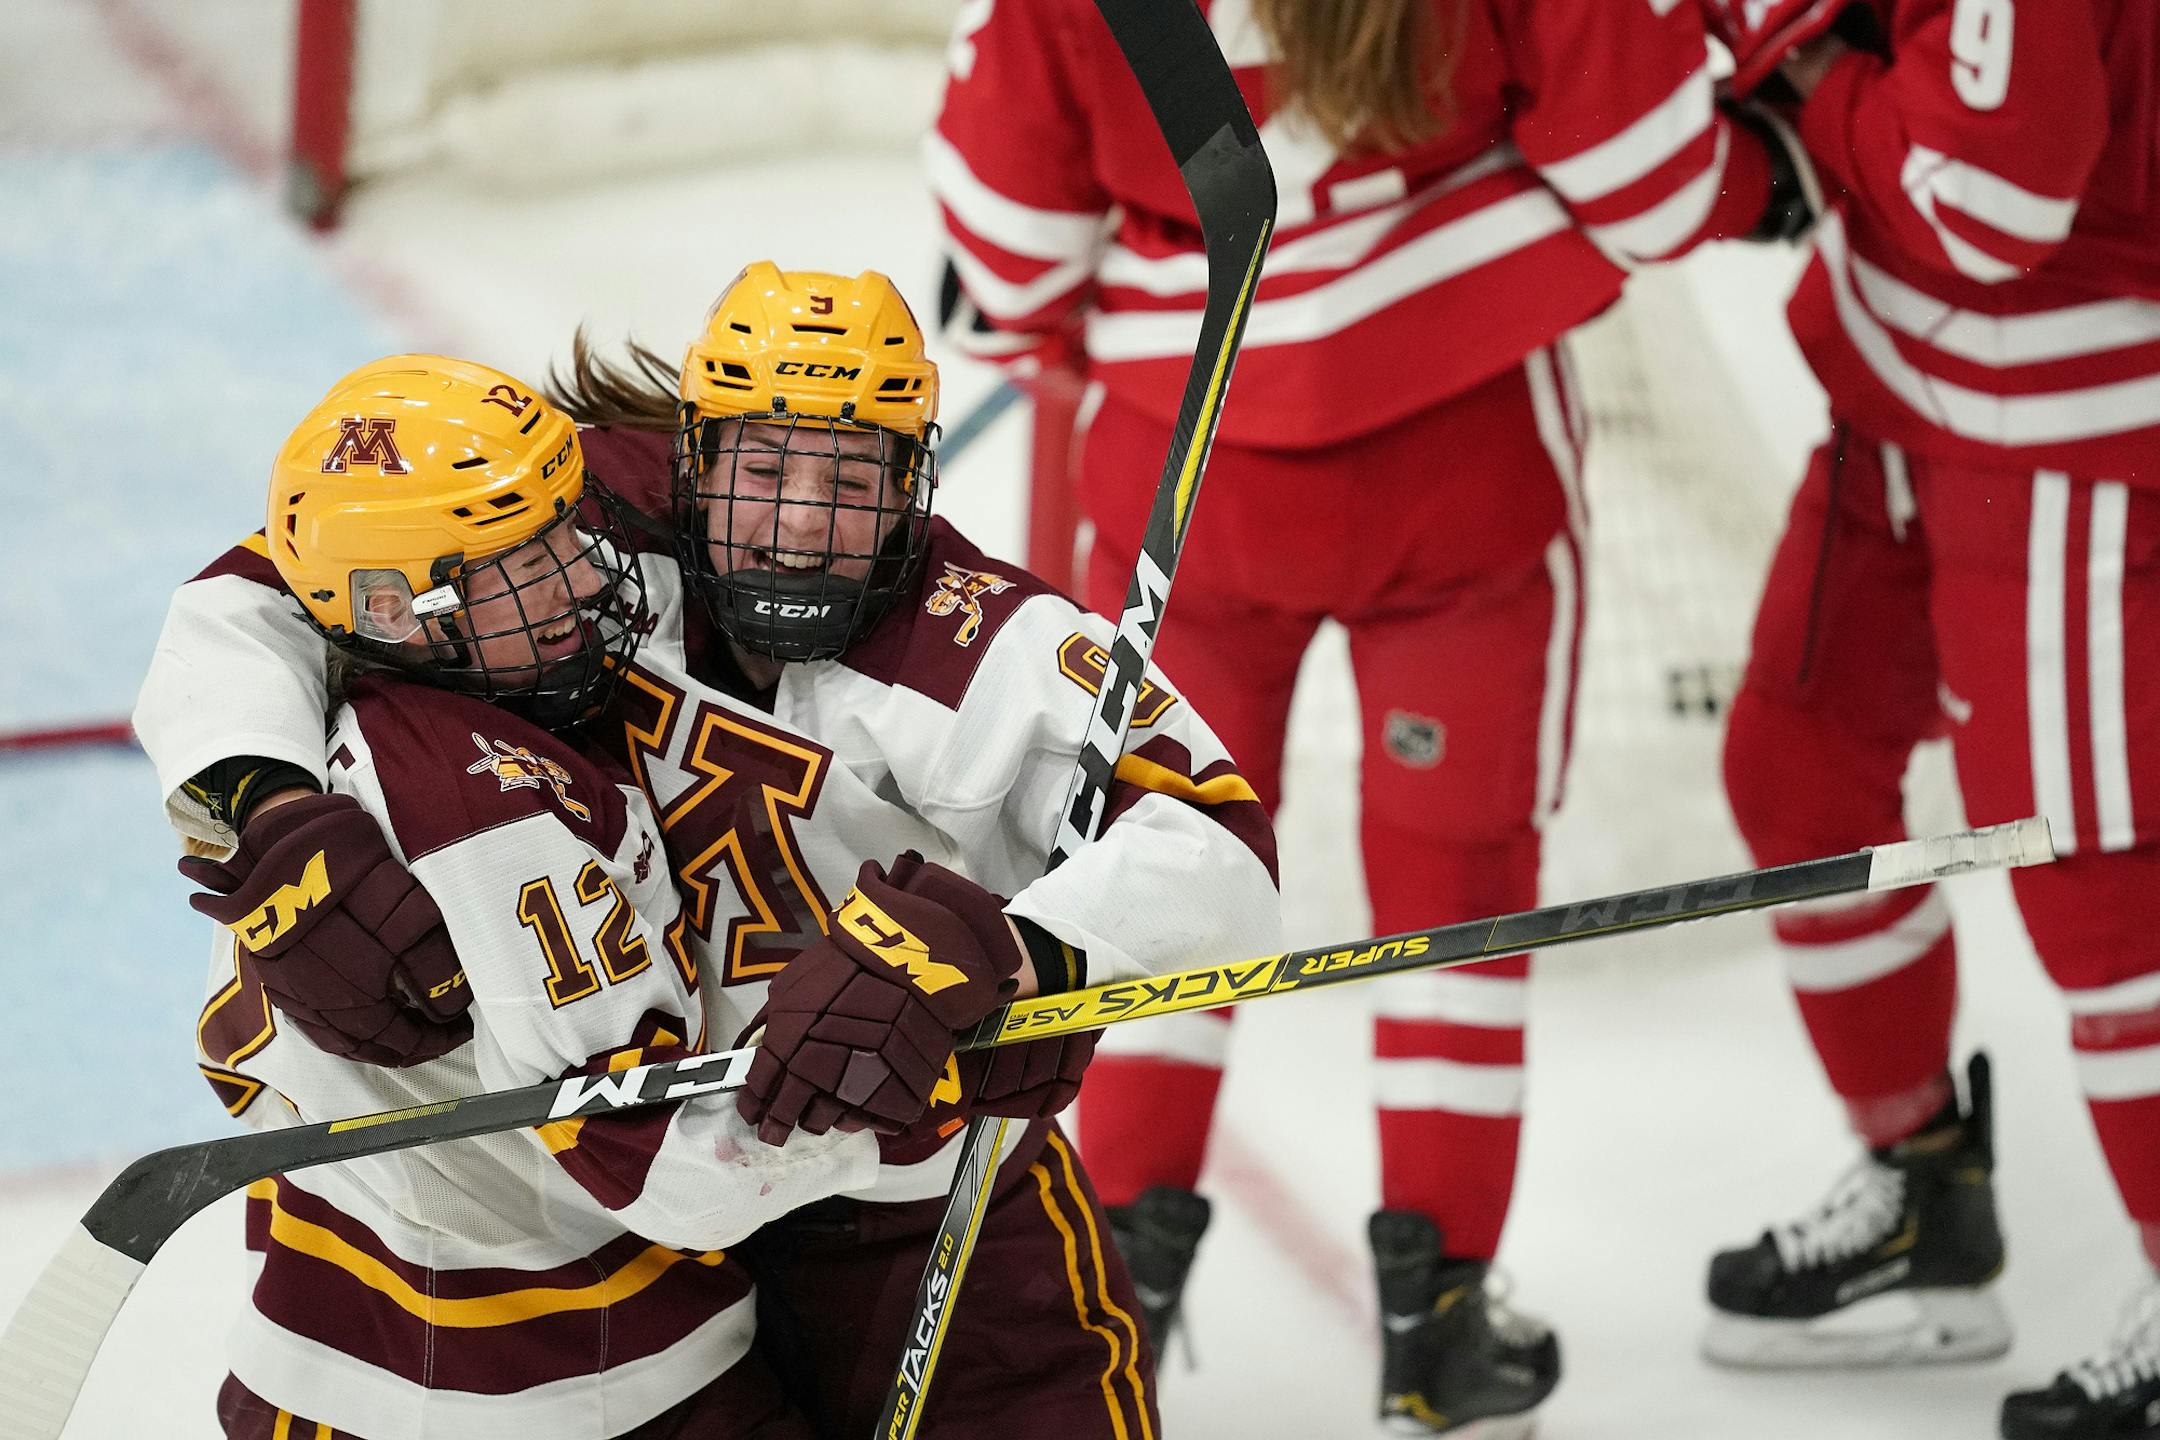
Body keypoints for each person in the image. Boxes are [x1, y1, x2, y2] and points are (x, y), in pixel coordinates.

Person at [134, 263, 1284, 1439]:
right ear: (690, 454)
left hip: (902, 1188)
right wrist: (260, 800)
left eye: (847, 480)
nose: (795, 527)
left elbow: (1223, 855)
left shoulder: (980, 641)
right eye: (763, 469)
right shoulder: (577, 519)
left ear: (912, 482)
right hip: (642, 1213)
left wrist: (1023, 955)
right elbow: (271, 585)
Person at [929, 0, 1816, 1430]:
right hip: (1460, 470)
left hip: (1192, 489)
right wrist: (1768, 171)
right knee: (1455, 903)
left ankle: (1121, 1276)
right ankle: (1443, 1318)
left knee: (1153, 875)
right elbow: (1651, 179)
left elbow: (1009, 261)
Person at [179, 354, 865, 1438]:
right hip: (575, 1385)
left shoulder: (321, 714)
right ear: (402, 609)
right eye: (523, 563)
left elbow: (231, 615)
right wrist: (907, 1095)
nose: (585, 579)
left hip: (322, 1363)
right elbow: (670, 1168)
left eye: (564, 533)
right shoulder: (494, 812)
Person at [1694, 4, 2160, 1437]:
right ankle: (1927, 1196)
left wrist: (1816, 76)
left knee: (2095, 885)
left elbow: (1996, 197)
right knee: (1798, 770)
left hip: (2058, 426)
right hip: (1912, 378)